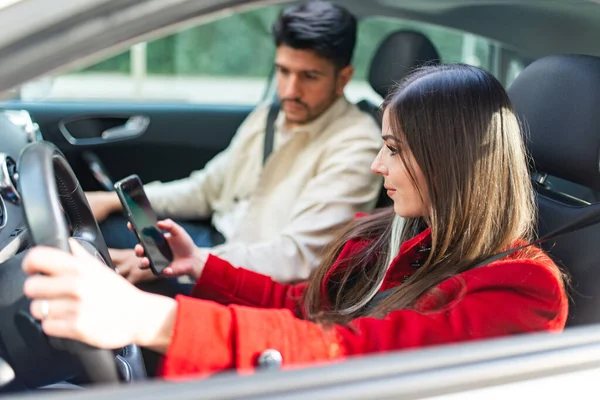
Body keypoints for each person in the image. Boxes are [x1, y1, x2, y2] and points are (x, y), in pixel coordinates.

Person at [22, 64, 568, 380]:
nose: (378, 166)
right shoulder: (399, 234)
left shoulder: (524, 289)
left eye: (395, 150)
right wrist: (203, 267)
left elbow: (355, 354)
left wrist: (151, 320)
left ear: (449, 160)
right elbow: (307, 308)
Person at [86, 1, 382, 284]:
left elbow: (297, 257)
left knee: (99, 269)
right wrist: (112, 201)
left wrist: (187, 262)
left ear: (343, 79)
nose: (291, 90)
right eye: (283, 71)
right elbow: (207, 188)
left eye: (310, 76)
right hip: (212, 244)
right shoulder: (271, 115)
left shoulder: (357, 146)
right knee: (96, 230)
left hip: (242, 281)